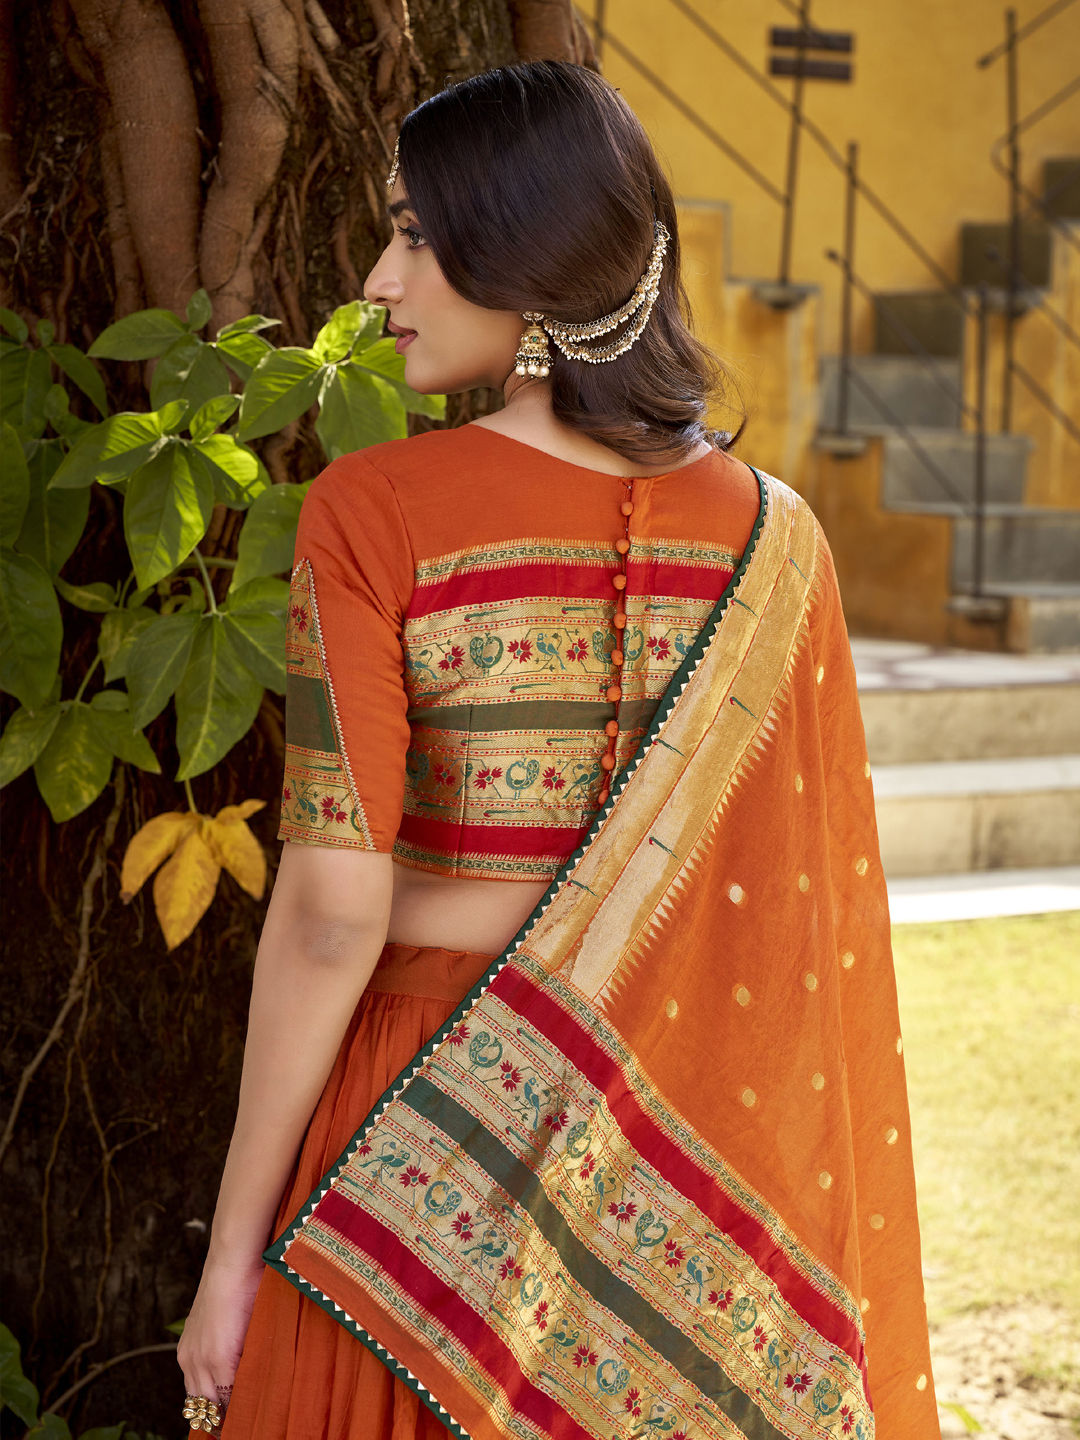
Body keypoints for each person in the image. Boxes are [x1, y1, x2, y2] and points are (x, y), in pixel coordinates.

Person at [178, 60, 940, 1440]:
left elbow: (333, 916)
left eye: (416, 237)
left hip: (416, 1141)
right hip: (683, 1141)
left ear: (521, 257)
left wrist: (231, 1256)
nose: (378, 283)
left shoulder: (373, 510)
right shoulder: (781, 542)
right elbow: (781, 920)